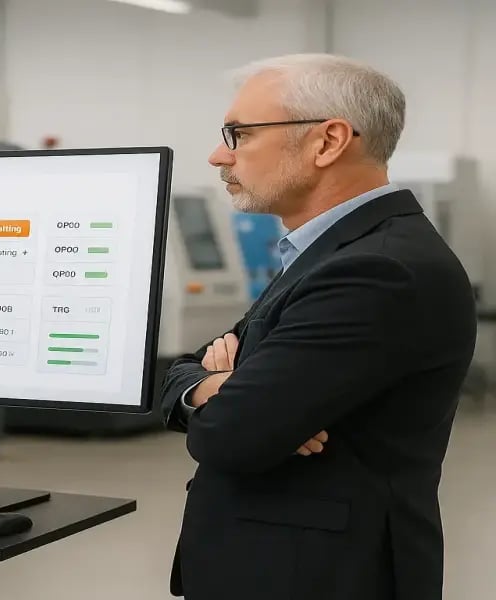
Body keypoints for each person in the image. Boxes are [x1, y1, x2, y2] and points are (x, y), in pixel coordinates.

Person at [160, 53, 476, 600]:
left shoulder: (378, 270)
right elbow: (189, 373)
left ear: (327, 142)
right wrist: (221, 387)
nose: (218, 155)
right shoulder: (329, 252)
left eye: (238, 134)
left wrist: (241, 398)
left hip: (317, 576)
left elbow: (235, 436)